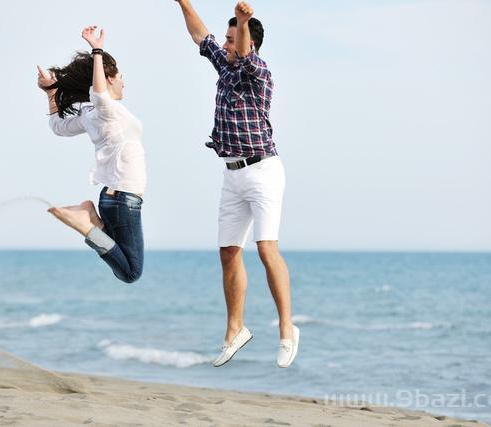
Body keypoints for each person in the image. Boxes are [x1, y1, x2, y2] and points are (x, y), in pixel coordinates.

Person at [174, 1, 299, 367]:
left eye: (232, 39)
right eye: (227, 39)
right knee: (228, 253)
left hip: (264, 171)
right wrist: (183, 2)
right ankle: (235, 329)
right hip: (232, 174)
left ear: (249, 43)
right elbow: (199, 33)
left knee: (265, 249)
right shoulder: (224, 68)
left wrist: (243, 23)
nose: (226, 45)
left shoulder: (257, 71)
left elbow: (243, 52)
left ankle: (287, 329)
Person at [37, 26, 146, 284]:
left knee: (119, 256)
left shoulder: (90, 113)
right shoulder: (106, 109)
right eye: (120, 76)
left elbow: (58, 127)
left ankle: (90, 220)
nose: (123, 81)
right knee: (131, 273)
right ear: (108, 78)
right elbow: (99, 94)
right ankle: (85, 224)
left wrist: (51, 93)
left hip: (117, 198)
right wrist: (96, 50)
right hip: (123, 198)